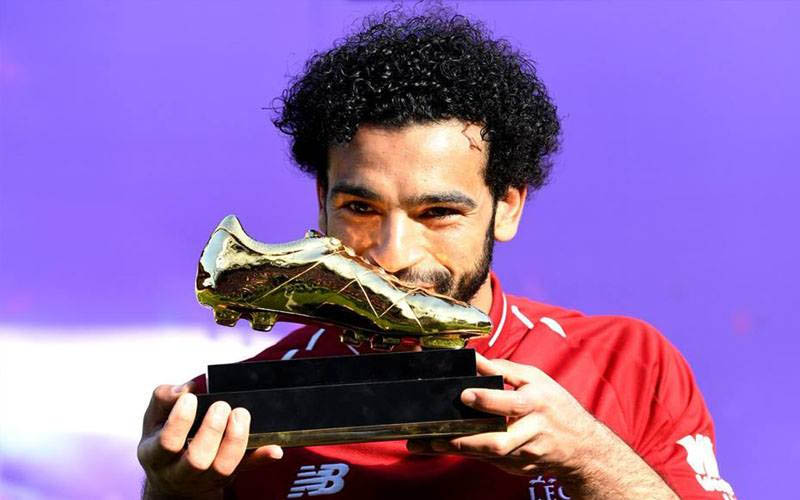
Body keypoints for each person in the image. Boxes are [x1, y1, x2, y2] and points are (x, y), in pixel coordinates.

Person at [137, 8, 736, 499]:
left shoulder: (629, 362)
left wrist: (589, 457)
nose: (393, 254)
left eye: (438, 213)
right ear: (322, 202)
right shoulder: (241, 414)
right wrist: (172, 493)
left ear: (507, 206)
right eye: (360, 208)